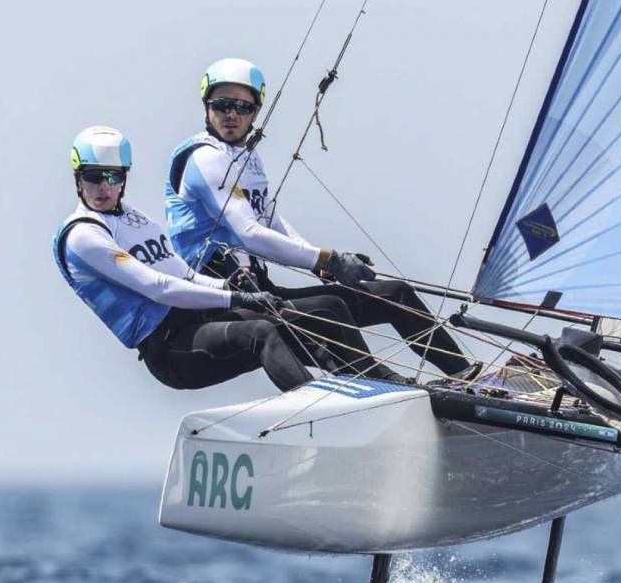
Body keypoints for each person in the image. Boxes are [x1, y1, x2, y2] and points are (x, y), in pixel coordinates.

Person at [165, 57, 474, 379]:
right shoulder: (205, 157)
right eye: (222, 105)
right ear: (206, 107)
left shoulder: (246, 158)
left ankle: (468, 378)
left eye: (242, 107)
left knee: (395, 294)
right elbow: (250, 233)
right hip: (223, 300)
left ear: (256, 113)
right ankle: (387, 387)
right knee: (329, 308)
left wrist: (328, 262)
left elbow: (270, 219)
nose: (231, 115)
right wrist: (323, 259)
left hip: (262, 287)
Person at [54, 126, 403, 393]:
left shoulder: (135, 221)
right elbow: (159, 288)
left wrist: (225, 285)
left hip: (197, 323)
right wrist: (234, 297)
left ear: (124, 178)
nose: (103, 187)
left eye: (112, 177)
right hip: (169, 349)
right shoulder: (84, 236)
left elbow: (185, 275)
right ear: (77, 178)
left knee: (319, 309)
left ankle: (384, 386)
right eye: (93, 177)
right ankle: (318, 409)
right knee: (262, 332)